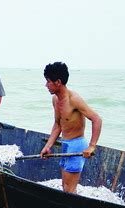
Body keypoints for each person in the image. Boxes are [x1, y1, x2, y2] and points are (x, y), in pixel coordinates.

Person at [40, 62, 102, 194]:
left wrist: (91, 146)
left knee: (69, 189)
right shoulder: (55, 100)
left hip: (77, 145)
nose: (46, 85)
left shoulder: (74, 100)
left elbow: (96, 119)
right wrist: (48, 146)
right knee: (65, 186)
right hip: (65, 144)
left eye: (48, 81)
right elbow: (58, 124)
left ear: (58, 82)